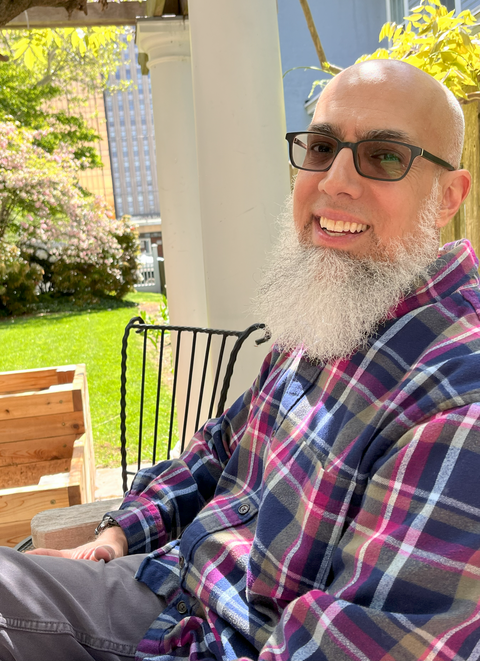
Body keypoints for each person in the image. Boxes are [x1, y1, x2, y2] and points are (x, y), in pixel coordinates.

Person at [1, 58, 479, 661]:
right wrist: (120, 532)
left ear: (448, 197)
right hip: (164, 595)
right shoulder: (336, 311)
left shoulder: (458, 401)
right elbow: (222, 445)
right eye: (322, 146)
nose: (334, 181)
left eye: (384, 156)